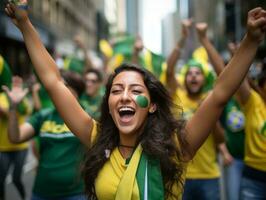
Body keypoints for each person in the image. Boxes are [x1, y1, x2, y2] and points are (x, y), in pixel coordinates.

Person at [5, 3, 266, 199]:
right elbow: (53, 82)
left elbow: (220, 94)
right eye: (116, 90)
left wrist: (251, 40)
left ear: (152, 105)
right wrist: (26, 25)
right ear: (108, 103)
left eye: (135, 90)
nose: (125, 96)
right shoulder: (96, 138)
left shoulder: (175, 148)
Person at [4, 70, 88, 200]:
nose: (55, 91)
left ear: (76, 91)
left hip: (76, 194)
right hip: (42, 193)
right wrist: (13, 107)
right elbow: (16, 137)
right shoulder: (44, 116)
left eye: (62, 87)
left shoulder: (87, 117)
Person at [166, 20, 226, 200]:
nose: (193, 76)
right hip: (180, 174)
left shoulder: (210, 101)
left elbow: (224, 75)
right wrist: (182, 39)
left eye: (197, 73)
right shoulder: (176, 97)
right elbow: (169, 70)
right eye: (189, 73)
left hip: (209, 176)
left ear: (204, 78)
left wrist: (204, 39)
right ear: (184, 79)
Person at [0, 76, 31, 200]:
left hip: (20, 146)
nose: (15, 84)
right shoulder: (2, 97)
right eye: (12, 81)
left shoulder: (23, 99)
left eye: (18, 82)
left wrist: (15, 102)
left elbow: (25, 111)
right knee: (1, 179)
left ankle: (24, 197)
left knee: (16, 178)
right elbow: (3, 113)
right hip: (3, 147)